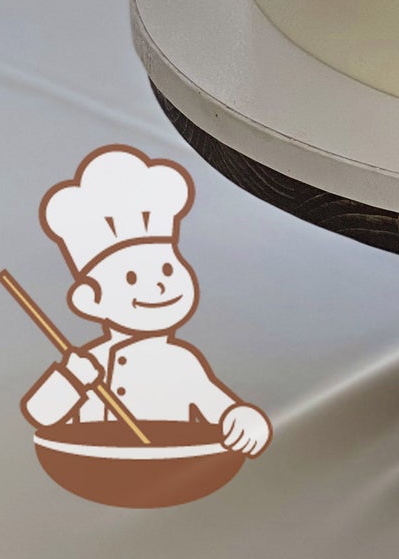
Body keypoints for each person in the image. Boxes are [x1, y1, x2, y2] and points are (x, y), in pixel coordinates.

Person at [20, 145, 271, 456]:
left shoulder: (182, 362)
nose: (159, 285)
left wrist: (242, 418)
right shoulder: (89, 362)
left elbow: (218, 407)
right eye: (131, 278)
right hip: (90, 467)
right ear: (90, 300)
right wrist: (71, 379)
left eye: (167, 269)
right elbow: (41, 414)